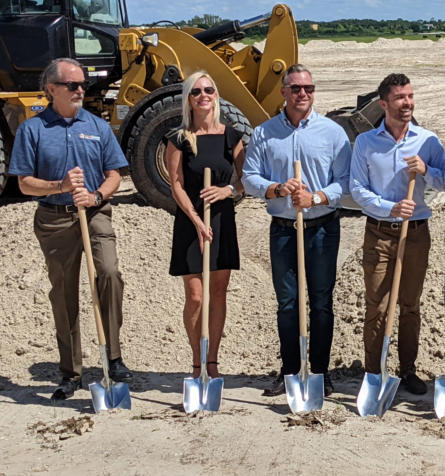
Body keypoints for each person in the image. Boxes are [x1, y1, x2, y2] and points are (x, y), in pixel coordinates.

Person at [8, 58, 132, 400]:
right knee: (64, 293)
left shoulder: (97, 126)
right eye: (73, 85)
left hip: (94, 213)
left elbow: (115, 175)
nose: (81, 90)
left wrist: (95, 196)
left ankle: (113, 357)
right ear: (52, 89)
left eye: (83, 85)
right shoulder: (33, 130)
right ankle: (71, 372)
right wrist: (59, 185)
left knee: (109, 274)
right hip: (54, 219)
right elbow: (24, 184)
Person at [242, 64, 351, 397]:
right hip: (283, 230)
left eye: (309, 88)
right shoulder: (264, 133)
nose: (303, 94)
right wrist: (276, 189)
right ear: (284, 92)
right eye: (296, 88)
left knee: (321, 302)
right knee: (288, 303)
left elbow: (345, 182)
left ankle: (319, 372)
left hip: (322, 229)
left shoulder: (332, 133)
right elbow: (249, 177)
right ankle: (290, 371)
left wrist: (315, 197)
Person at [350, 73, 445, 395]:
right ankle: (374, 373)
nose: (407, 103)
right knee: (377, 305)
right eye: (400, 98)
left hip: (415, 235)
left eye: (410, 96)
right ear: (384, 104)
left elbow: (444, 181)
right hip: (378, 233)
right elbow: (357, 189)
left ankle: (407, 371)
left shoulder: (427, 141)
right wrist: (390, 207)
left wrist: (426, 170)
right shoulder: (366, 143)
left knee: (410, 304)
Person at [166, 71, 245, 378]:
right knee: (196, 296)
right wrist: (197, 221)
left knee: (219, 292)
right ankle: (197, 361)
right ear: (188, 99)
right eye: (196, 91)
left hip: (222, 219)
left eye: (208, 90)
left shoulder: (231, 137)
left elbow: (246, 181)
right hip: (191, 222)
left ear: (216, 95)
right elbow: (176, 184)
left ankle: (212, 362)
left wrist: (228, 190)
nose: (203, 96)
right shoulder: (179, 139)